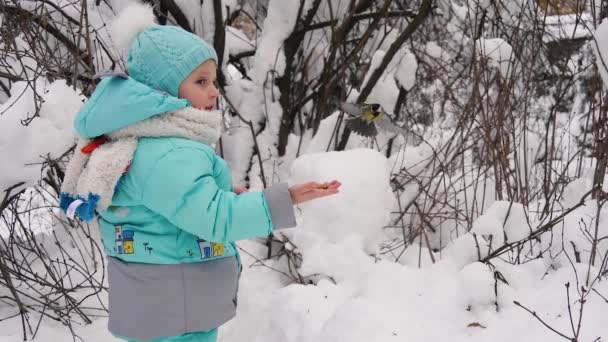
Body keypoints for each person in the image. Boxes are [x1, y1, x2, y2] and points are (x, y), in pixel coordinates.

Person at [59, 4, 341, 341]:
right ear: (165, 89)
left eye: (214, 80)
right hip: (177, 314)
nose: (214, 91)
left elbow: (176, 209)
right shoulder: (169, 153)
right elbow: (215, 219)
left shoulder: (144, 142)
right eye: (200, 81)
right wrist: (287, 198)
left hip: (161, 307)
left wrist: (220, 194)